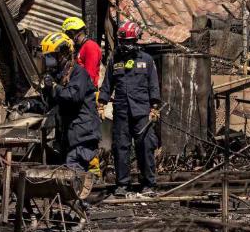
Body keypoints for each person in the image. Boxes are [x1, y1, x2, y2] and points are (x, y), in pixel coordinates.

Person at [99, 21, 161, 197]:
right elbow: (107, 84)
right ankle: (122, 184)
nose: (125, 46)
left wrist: (154, 106)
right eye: (123, 42)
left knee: (145, 146)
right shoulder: (115, 61)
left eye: (129, 42)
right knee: (120, 147)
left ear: (136, 41)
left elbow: (153, 85)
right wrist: (102, 104)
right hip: (121, 112)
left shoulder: (147, 61)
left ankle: (148, 183)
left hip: (142, 112)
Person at [40, 32, 101, 172]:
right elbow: (50, 103)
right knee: (66, 174)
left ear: (65, 53)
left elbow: (72, 96)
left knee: (73, 172)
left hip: (82, 134)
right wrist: (31, 104)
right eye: (47, 57)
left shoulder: (79, 73)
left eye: (52, 56)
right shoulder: (60, 76)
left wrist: (54, 87)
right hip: (68, 135)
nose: (49, 61)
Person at [61, 16, 101, 86]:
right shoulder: (80, 47)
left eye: (68, 35)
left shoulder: (90, 47)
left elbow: (89, 78)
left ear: (73, 33)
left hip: (86, 93)